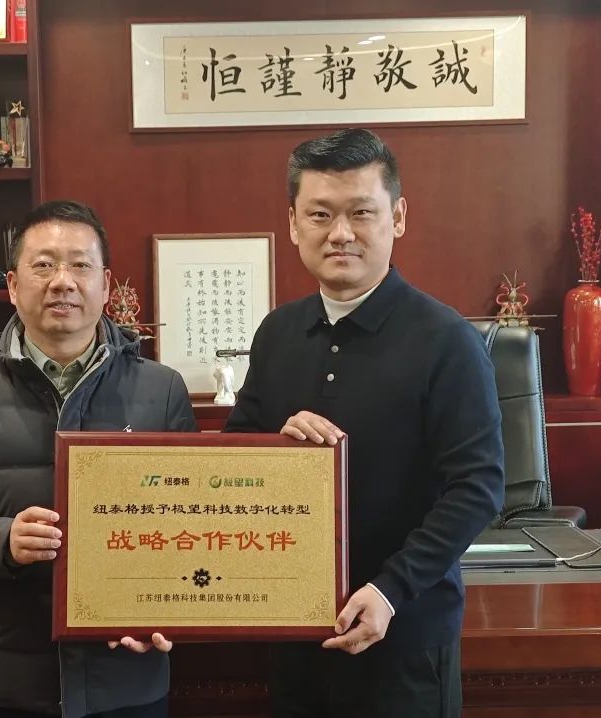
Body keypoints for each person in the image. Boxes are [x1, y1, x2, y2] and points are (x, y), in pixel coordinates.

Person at [223, 128, 505, 717]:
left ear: (397, 217)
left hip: (403, 633)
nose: (340, 233)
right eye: (320, 214)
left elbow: (477, 487)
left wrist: (389, 591)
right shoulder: (278, 333)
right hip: (294, 628)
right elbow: (233, 459)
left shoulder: (446, 340)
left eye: (361, 212)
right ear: (293, 223)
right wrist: (276, 446)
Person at [0, 200, 196, 718]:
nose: (63, 281)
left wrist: (164, 612)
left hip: (126, 680)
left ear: (105, 285)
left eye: (80, 265)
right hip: (7, 682)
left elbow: (190, 523)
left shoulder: (162, 389)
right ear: (13, 286)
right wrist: (3, 540)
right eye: (43, 265)